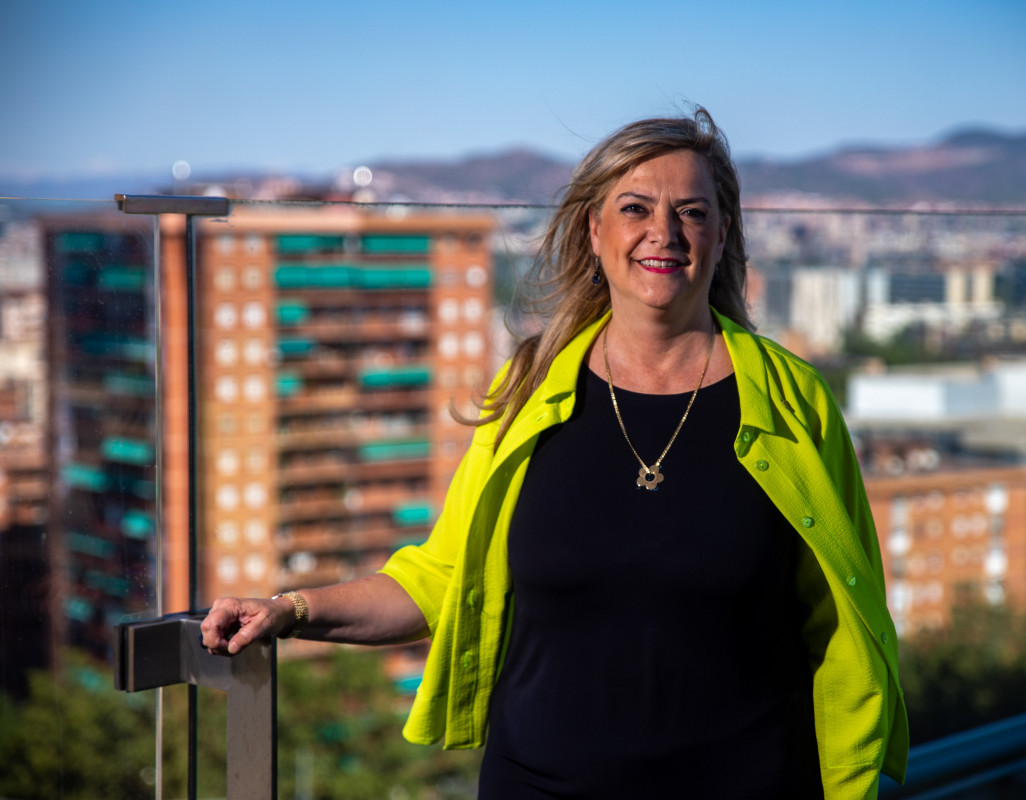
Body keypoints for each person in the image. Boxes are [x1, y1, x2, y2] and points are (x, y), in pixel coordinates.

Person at [202, 107, 909, 798]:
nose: (663, 232)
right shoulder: (530, 389)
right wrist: (290, 609)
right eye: (635, 208)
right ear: (594, 231)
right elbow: (442, 577)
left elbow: (844, 619)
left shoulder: (794, 402)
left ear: (723, 236)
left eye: (692, 212)